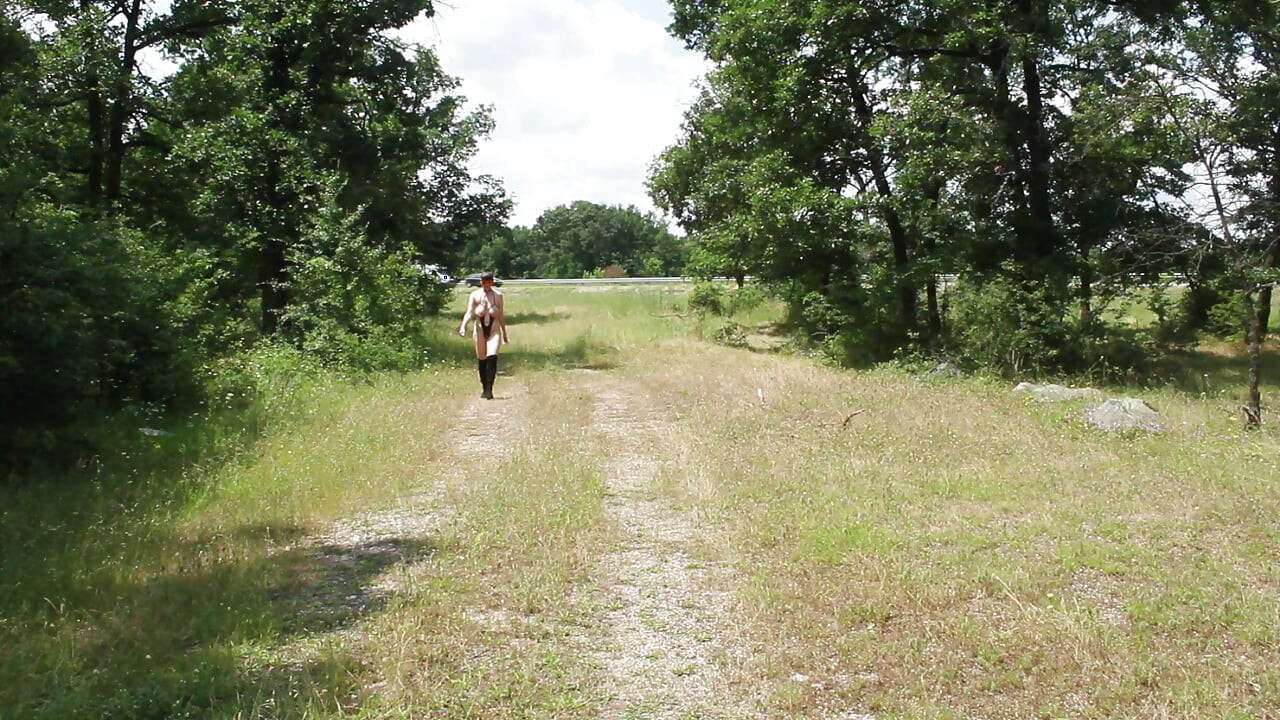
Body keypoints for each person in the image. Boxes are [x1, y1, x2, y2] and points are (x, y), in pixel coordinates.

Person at [458, 271, 508, 399]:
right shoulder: (475, 295)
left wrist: (505, 333)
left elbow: (501, 315)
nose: (485, 284)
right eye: (483, 281)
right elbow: (469, 312)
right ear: (481, 282)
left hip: (494, 329)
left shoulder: (498, 295)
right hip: (480, 329)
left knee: (492, 356)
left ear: (492, 282)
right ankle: (484, 387)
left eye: (488, 281)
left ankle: (489, 389)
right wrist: (463, 326)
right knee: (482, 358)